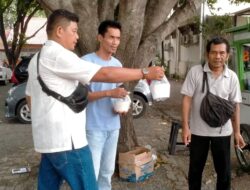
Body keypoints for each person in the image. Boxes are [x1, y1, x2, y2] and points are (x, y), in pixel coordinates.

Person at [25, 9, 164, 190]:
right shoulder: (60, 55)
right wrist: (144, 72)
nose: (77, 36)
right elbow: (104, 73)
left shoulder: (36, 58)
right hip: (69, 141)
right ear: (60, 31)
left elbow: (30, 97)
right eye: (74, 31)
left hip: (49, 142)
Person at [181, 36, 245, 190]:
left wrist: (237, 132)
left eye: (222, 53)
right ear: (207, 54)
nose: (218, 56)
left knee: (224, 174)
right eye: (214, 52)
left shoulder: (232, 77)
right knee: (195, 172)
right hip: (198, 132)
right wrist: (186, 127)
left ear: (227, 55)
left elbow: (235, 106)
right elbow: (186, 100)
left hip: (223, 133)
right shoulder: (195, 72)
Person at [81, 20, 126, 190]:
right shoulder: (86, 62)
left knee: (107, 172)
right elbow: (81, 97)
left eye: (118, 38)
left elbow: (119, 91)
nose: (115, 42)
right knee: (91, 173)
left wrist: (122, 104)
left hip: (113, 126)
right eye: (111, 37)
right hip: (93, 127)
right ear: (100, 37)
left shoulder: (117, 64)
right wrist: (109, 93)